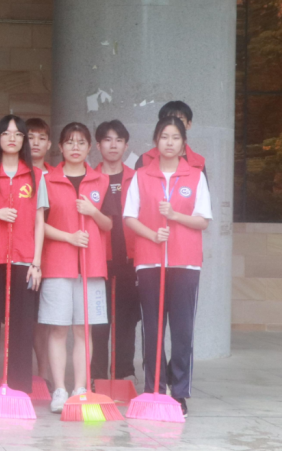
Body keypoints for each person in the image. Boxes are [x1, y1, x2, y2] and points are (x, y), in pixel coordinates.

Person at [124, 116, 211, 418]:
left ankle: (180, 392)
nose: (169, 142)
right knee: (152, 328)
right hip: (150, 261)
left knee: (183, 330)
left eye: (175, 137)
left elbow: (203, 220)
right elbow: (129, 217)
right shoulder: (142, 176)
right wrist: (152, 235)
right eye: (164, 137)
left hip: (185, 262)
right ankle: (154, 388)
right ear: (155, 142)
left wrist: (174, 216)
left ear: (184, 143)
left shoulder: (195, 176)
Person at [0, 115, 46, 396]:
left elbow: (40, 221)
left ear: (24, 140)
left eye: (17, 134)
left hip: (24, 261)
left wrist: (37, 262)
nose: (11, 138)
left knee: (21, 328)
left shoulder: (36, 175)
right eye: (6, 133)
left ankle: (18, 389)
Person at [39, 123, 111, 414]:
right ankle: (59, 389)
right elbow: (38, 225)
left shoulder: (101, 180)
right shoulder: (47, 180)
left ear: (89, 147)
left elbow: (110, 224)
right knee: (58, 329)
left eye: (81, 142)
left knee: (83, 330)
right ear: (60, 147)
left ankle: (80, 388)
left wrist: (92, 212)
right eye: (69, 142)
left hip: (91, 266)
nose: (75, 147)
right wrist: (68, 237)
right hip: (57, 264)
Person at [90, 119, 139, 385]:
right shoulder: (90, 178)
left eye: (118, 140)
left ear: (126, 145)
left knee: (127, 320)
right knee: (99, 320)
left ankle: (124, 372)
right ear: (98, 145)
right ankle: (97, 374)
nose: (113, 145)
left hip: (130, 259)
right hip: (99, 260)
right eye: (107, 140)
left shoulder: (137, 177)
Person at [25, 117, 53, 386]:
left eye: (41, 138)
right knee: (26, 317)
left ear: (49, 144)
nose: (35, 143)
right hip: (24, 256)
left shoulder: (55, 176)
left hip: (52, 257)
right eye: (30, 137)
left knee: (44, 320)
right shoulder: (17, 173)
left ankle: (43, 376)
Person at [136, 101, 208, 176]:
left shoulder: (198, 162)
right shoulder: (145, 159)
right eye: (168, 119)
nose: (174, 123)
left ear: (189, 124)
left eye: (180, 120)